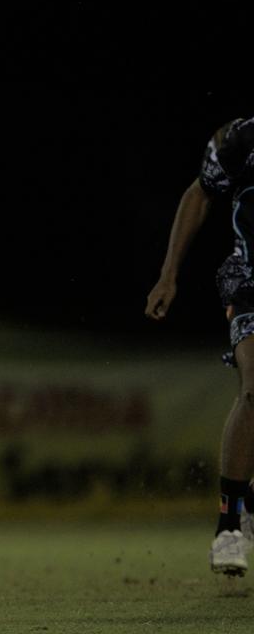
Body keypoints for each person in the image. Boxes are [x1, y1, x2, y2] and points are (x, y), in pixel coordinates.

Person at [146, 118, 254, 578]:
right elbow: (199, 193)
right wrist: (169, 274)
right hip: (249, 278)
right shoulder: (242, 138)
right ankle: (229, 525)